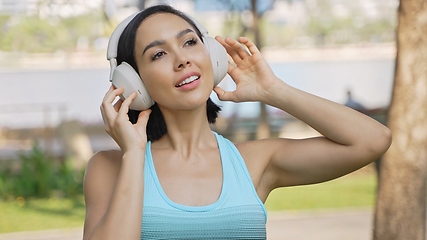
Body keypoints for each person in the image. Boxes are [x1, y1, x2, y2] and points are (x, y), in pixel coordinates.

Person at [82, 4, 392, 240]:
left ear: (213, 57)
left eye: (189, 42)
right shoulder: (110, 167)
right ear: (135, 82)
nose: (182, 59)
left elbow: (372, 140)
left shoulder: (254, 162)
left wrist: (274, 91)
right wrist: (134, 154)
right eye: (159, 53)